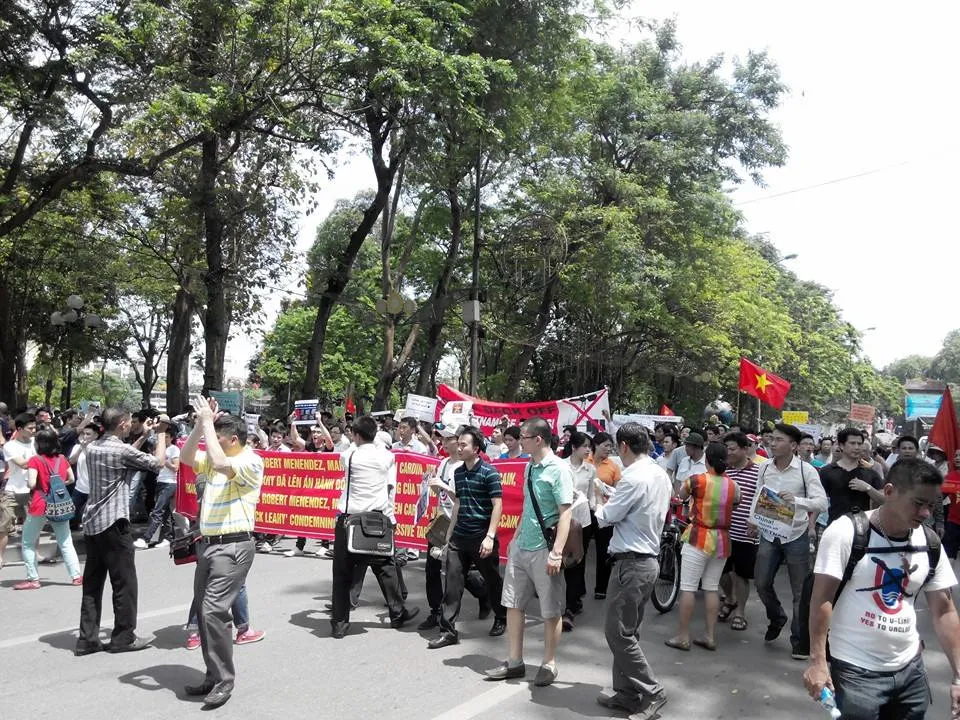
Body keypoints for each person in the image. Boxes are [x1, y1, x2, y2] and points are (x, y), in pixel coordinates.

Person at [803, 458, 960, 719]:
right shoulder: (846, 532)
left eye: (930, 506)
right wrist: (818, 662)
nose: (925, 514)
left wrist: (958, 675)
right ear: (888, 492)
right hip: (856, 671)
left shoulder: (929, 541)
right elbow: (821, 599)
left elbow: (944, 611)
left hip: (911, 671)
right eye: (918, 503)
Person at [180, 398, 265, 708]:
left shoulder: (249, 460)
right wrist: (198, 427)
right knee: (204, 613)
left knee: (213, 611)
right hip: (209, 544)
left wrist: (206, 425)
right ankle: (213, 674)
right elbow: (188, 458)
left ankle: (224, 680)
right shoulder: (217, 454)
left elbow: (217, 462)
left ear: (233, 439)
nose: (211, 438)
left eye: (217, 434)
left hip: (233, 545)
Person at [486, 417, 573, 686]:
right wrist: (515, 538)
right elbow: (527, 506)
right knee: (513, 603)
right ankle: (514, 661)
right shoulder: (529, 467)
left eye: (523, 436)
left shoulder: (558, 469)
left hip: (545, 549)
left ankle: (549, 662)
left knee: (550, 610)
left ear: (538, 439)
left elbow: (565, 512)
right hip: (521, 546)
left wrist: (557, 551)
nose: (518, 440)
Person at [594, 422, 672, 720]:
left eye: (617, 448)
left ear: (624, 446)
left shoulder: (634, 477)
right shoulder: (658, 474)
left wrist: (596, 502)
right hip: (645, 560)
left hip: (631, 562)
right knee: (628, 630)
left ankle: (652, 691)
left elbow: (607, 517)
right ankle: (627, 693)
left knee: (617, 632)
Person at [75, 409, 168, 657]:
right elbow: (157, 464)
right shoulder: (119, 450)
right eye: (129, 422)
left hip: (93, 522)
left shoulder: (93, 446)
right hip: (114, 523)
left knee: (93, 584)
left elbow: (127, 454)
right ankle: (124, 637)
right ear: (123, 423)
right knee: (124, 583)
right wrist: (160, 435)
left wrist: (143, 435)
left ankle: (87, 638)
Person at [329, 415, 420, 639]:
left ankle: (340, 623)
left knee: (342, 574)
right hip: (376, 520)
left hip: (350, 520)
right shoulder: (386, 456)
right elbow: (381, 452)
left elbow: (347, 450)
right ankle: (398, 613)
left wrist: (356, 440)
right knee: (386, 566)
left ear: (356, 435)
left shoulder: (349, 456)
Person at [748, 422, 827, 660]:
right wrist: (753, 519)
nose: (772, 443)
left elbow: (821, 503)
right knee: (761, 583)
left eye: (779, 440)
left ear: (793, 446)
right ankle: (777, 616)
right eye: (771, 439)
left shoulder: (806, 471)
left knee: (800, 591)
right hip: (769, 533)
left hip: (796, 535)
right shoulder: (764, 469)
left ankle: (798, 639)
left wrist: (797, 501)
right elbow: (757, 495)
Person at [427, 427, 506, 648]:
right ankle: (448, 630)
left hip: (482, 537)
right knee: (452, 584)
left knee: (491, 580)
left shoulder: (489, 473)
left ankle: (501, 616)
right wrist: (449, 536)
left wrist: (490, 536)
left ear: (477, 449)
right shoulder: (458, 472)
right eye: (458, 444)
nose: (459, 448)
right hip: (459, 538)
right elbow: (458, 504)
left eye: (464, 445)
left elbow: (497, 505)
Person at [665, 442, 739, 652]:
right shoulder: (733, 485)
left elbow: (681, 494)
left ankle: (683, 637)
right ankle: (709, 636)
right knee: (711, 588)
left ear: (707, 460)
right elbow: (736, 503)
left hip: (699, 536)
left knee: (688, 587)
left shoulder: (697, 480)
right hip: (722, 540)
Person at [418, 429, 489, 631]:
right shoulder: (443, 463)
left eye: (450, 439)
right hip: (441, 520)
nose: (446, 443)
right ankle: (435, 612)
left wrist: (445, 487)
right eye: (444, 439)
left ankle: (482, 592)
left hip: (459, 523)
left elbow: (461, 498)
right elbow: (439, 493)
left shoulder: (463, 466)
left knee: (455, 571)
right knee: (432, 567)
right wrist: (431, 483)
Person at [15, 425, 83, 589]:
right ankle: (76, 576)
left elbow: (32, 483)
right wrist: (57, 485)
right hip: (59, 503)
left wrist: (33, 483)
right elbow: (71, 479)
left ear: (39, 444)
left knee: (28, 542)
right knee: (65, 541)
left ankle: (33, 579)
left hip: (40, 503)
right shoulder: (62, 458)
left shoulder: (35, 460)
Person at [717, 431, 761, 632]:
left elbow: (763, 501)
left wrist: (756, 522)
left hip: (746, 534)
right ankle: (730, 598)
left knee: (742, 574)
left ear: (745, 449)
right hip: (722, 531)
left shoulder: (759, 472)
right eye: (726, 448)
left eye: (733, 448)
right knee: (721, 572)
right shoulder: (723, 472)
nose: (729, 452)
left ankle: (740, 612)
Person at [562, 431, 597, 630]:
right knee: (564, 561)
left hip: (583, 521)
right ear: (574, 447)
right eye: (584, 446)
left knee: (577, 561)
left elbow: (592, 496)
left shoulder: (590, 470)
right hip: (563, 519)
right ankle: (573, 599)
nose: (587, 450)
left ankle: (569, 608)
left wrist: (596, 511)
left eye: (589, 446)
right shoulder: (561, 466)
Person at [818, 427, 884, 524]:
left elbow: (884, 501)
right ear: (841, 445)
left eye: (859, 444)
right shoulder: (827, 471)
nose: (857, 447)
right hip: (835, 526)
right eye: (852, 443)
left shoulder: (870, 472)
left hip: (863, 528)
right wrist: (811, 526)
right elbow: (818, 500)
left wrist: (868, 488)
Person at [135, 422, 180, 549]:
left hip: (170, 483)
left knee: (157, 511)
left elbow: (176, 467)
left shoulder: (173, 449)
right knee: (164, 512)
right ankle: (167, 537)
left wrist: (164, 461)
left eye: (167, 437)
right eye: (163, 436)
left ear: (171, 438)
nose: (164, 439)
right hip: (160, 481)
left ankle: (146, 538)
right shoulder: (159, 449)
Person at [591, 431, 622, 599]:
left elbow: (618, 491)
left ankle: (601, 588)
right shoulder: (585, 461)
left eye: (611, 446)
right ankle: (577, 591)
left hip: (605, 511)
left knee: (604, 551)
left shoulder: (613, 466)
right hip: (585, 510)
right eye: (606, 446)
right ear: (595, 445)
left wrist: (608, 492)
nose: (609, 449)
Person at [942, 450, 960, 562]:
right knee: (950, 556)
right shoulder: (950, 477)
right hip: (953, 522)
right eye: (956, 455)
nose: (957, 458)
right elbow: (939, 497)